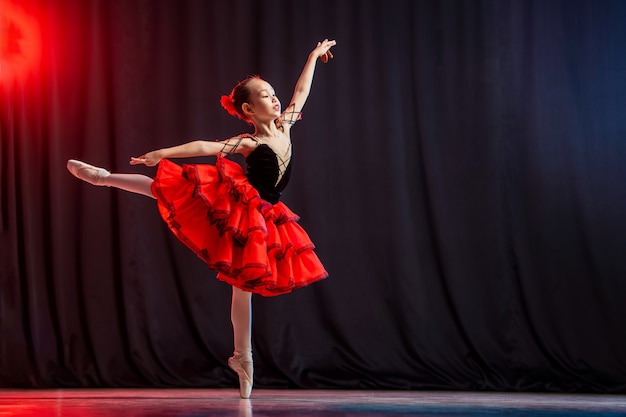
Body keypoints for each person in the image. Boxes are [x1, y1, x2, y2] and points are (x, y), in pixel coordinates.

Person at [67, 39, 336, 399]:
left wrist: (313, 57)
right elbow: (205, 147)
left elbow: (301, 91)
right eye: (266, 96)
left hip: (268, 214)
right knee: (166, 189)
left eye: (274, 94)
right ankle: (104, 177)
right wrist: (164, 152)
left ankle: (241, 357)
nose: (275, 99)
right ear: (248, 110)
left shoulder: (286, 124)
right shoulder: (249, 143)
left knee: (244, 285)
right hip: (242, 206)